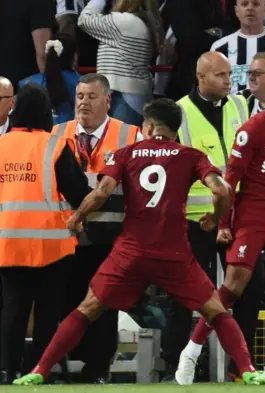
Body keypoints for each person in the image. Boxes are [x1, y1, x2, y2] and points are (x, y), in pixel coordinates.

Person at [12, 98, 265, 387]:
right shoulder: (191, 154)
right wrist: (215, 218)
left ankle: (39, 370)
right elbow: (221, 188)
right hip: (174, 254)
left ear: (147, 127)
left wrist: (77, 216)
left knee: (88, 308)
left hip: (131, 252)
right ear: (176, 131)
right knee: (216, 311)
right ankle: (248, 369)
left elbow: (102, 192)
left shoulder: (126, 153)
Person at [175, 64, 265, 385]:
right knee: (234, 287)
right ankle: (191, 352)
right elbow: (231, 180)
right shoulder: (253, 129)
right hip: (250, 218)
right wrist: (225, 223)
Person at [167, 51, 260, 380]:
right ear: (201, 78)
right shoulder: (178, 112)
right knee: (184, 295)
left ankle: (242, 368)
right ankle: (173, 366)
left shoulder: (240, 106)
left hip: (236, 218)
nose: (228, 81)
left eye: (229, 75)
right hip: (195, 221)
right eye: (220, 75)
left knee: (248, 288)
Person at [52, 73, 141, 383]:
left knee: (103, 305)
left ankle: (97, 370)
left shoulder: (131, 135)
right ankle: (67, 366)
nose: (83, 103)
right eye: (79, 96)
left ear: (108, 100)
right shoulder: (55, 134)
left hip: (111, 239)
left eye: (91, 96)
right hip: (66, 238)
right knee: (67, 303)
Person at [0, 84, 88, 384]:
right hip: (53, 245)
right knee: (49, 312)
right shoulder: (54, 145)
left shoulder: (0, 145)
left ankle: (6, 370)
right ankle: (39, 371)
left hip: (8, 243)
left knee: (13, 307)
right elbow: (78, 193)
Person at [20, 35, 81, 125]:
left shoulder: (26, 83)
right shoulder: (83, 83)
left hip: (34, 136)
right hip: (69, 135)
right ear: (74, 57)